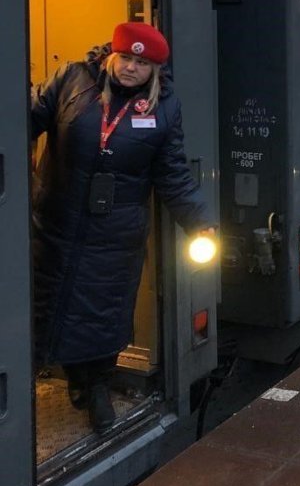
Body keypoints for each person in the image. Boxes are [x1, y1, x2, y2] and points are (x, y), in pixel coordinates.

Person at [30, 22, 214, 433]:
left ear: (155, 70)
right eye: (126, 58)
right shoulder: (72, 80)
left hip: (115, 236)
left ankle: (94, 387)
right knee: (43, 306)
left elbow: (173, 175)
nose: (131, 68)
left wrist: (202, 224)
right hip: (54, 225)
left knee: (102, 314)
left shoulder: (164, 107)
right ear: (111, 55)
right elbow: (27, 119)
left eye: (142, 63)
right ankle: (42, 386)